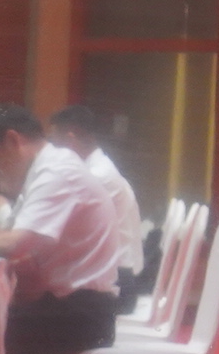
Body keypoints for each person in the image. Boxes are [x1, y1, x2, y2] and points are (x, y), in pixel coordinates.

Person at [0, 104, 131, 354]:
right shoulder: (47, 167)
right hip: (70, 307)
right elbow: (17, 234)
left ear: (13, 141)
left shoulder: (57, 170)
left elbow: (18, 243)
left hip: (81, 314)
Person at [49, 103, 149, 302]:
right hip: (116, 277)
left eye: (55, 144)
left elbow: (56, 230)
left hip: (116, 285)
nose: (51, 153)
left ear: (70, 141)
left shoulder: (96, 176)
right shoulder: (97, 169)